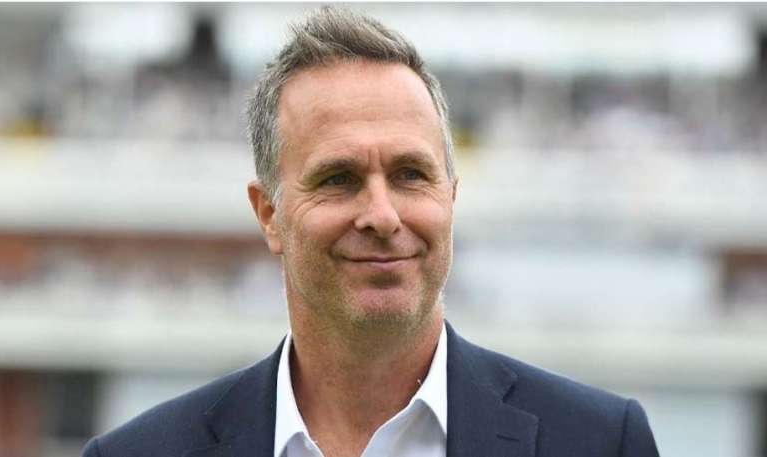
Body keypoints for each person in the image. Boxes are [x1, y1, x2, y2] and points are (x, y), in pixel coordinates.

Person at [83, 6, 660, 457]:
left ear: (451, 197)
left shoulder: (600, 443)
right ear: (269, 214)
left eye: (411, 175)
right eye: (339, 178)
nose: (383, 216)